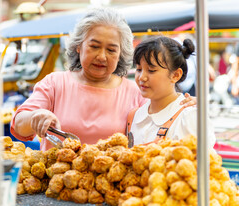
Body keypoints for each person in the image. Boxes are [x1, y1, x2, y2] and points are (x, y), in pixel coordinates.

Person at [11, 8, 195, 151]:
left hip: (108, 193)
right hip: (56, 188)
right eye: (94, 46)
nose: (102, 56)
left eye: (111, 50)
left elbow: (162, 116)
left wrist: (184, 105)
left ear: (120, 54)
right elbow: (19, 124)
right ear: (78, 47)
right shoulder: (55, 83)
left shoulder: (135, 91)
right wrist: (36, 117)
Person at [128, 36, 216, 147]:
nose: (141, 77)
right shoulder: (134, 116)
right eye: (139, 69)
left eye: (151, 70)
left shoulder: (190, 117)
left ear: (175, 75)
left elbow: (207, 161)